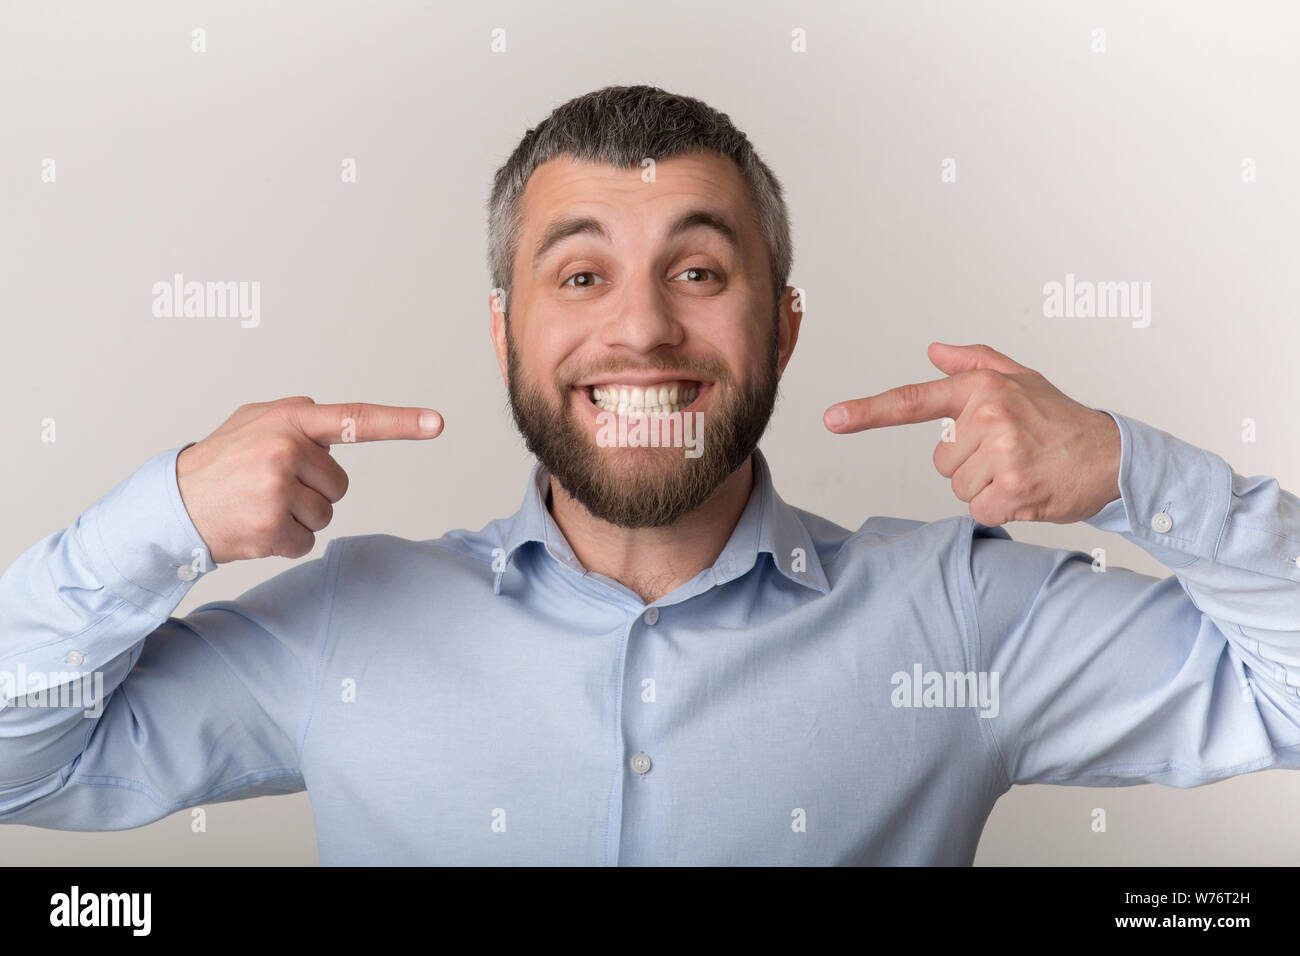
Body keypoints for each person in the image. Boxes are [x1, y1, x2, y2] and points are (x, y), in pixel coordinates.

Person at [2, 85, 1296, 865]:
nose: (641, 331)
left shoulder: (959, 617)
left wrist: (1132, 472)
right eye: (580, 275)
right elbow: (23, 762)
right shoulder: (350, 622)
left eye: (698, 271)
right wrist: (163, 515)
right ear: (507, 332)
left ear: (779, 327)